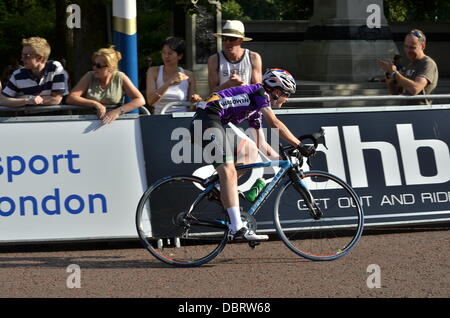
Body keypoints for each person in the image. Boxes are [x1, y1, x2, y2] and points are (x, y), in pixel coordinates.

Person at [190, 68, 315, 241]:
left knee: (250, 150)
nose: (287, 99)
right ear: (277, 91)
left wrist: (284, 160)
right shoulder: (260, 92)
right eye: (287, 95)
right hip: (205, 122)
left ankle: (219, 187)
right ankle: (236, 227)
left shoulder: (255, 109)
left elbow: (261, 144)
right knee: (228, 169)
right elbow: (275, 123)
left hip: (214, 123)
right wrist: (299, 145)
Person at [66, 46, 145, 124]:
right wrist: (94, 103)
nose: (94, 68)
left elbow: (140, 100)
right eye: (94, 64)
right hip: (87, 123)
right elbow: (71, 98)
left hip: (115, 124)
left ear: (111, 68)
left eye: (99, 66)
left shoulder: (120, 77)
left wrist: (117, 112)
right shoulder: (89, 76)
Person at [0, 37, 68, 107]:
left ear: (40, 58)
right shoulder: (17, 74)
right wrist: (27, 100)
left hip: (55, 116)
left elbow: (56, 99)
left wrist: (21, 99)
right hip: (28, 117)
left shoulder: (55, 67)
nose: (22, 59)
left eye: (26, 56)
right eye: (22, 55)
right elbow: (2, 100)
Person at [377, 29, 439, 104]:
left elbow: (414, 89)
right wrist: (389, 76)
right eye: (406, 46)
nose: (408, 50)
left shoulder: (428, 63)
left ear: (423, 46)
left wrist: (394, 73)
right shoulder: (411, 65)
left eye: (412, 47)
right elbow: (395, 92)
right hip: (406, 112)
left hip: (419, 113)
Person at [146, 37, 201, 115]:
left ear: (180, 56)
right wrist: (169, 82)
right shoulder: (153, 71)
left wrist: (195, 101)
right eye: (163, 53)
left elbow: (191, 106)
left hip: (181, 119)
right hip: (159, 118)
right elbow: (150, 101)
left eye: (170, 53)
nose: (166, 56)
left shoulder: (189, 75)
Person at [208, 20, 263, 94]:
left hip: (247, 103)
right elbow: (212, 92)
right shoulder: (214, 60)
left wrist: (241, 85)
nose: (227, 42)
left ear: (241, 40)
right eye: (224, 39)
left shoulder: (254, 57)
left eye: (232, 39)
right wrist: (228, 85)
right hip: (224, 104)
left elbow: (258, 90)